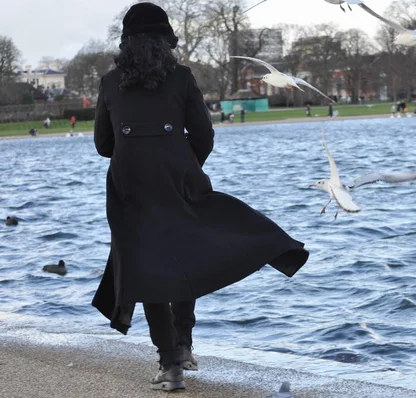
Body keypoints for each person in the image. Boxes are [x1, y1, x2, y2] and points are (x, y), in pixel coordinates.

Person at [92, 3, 308, 392]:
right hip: (179, 179)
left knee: (147, 269)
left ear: (126, 42)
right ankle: (186, 344)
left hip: (130, 187)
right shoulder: (182, 77)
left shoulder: (110, 82)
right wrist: (184, 165)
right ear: (166, 40)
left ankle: (170, 363)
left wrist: (139, 153)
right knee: (186, 255)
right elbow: (204, 135)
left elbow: (103, 144)